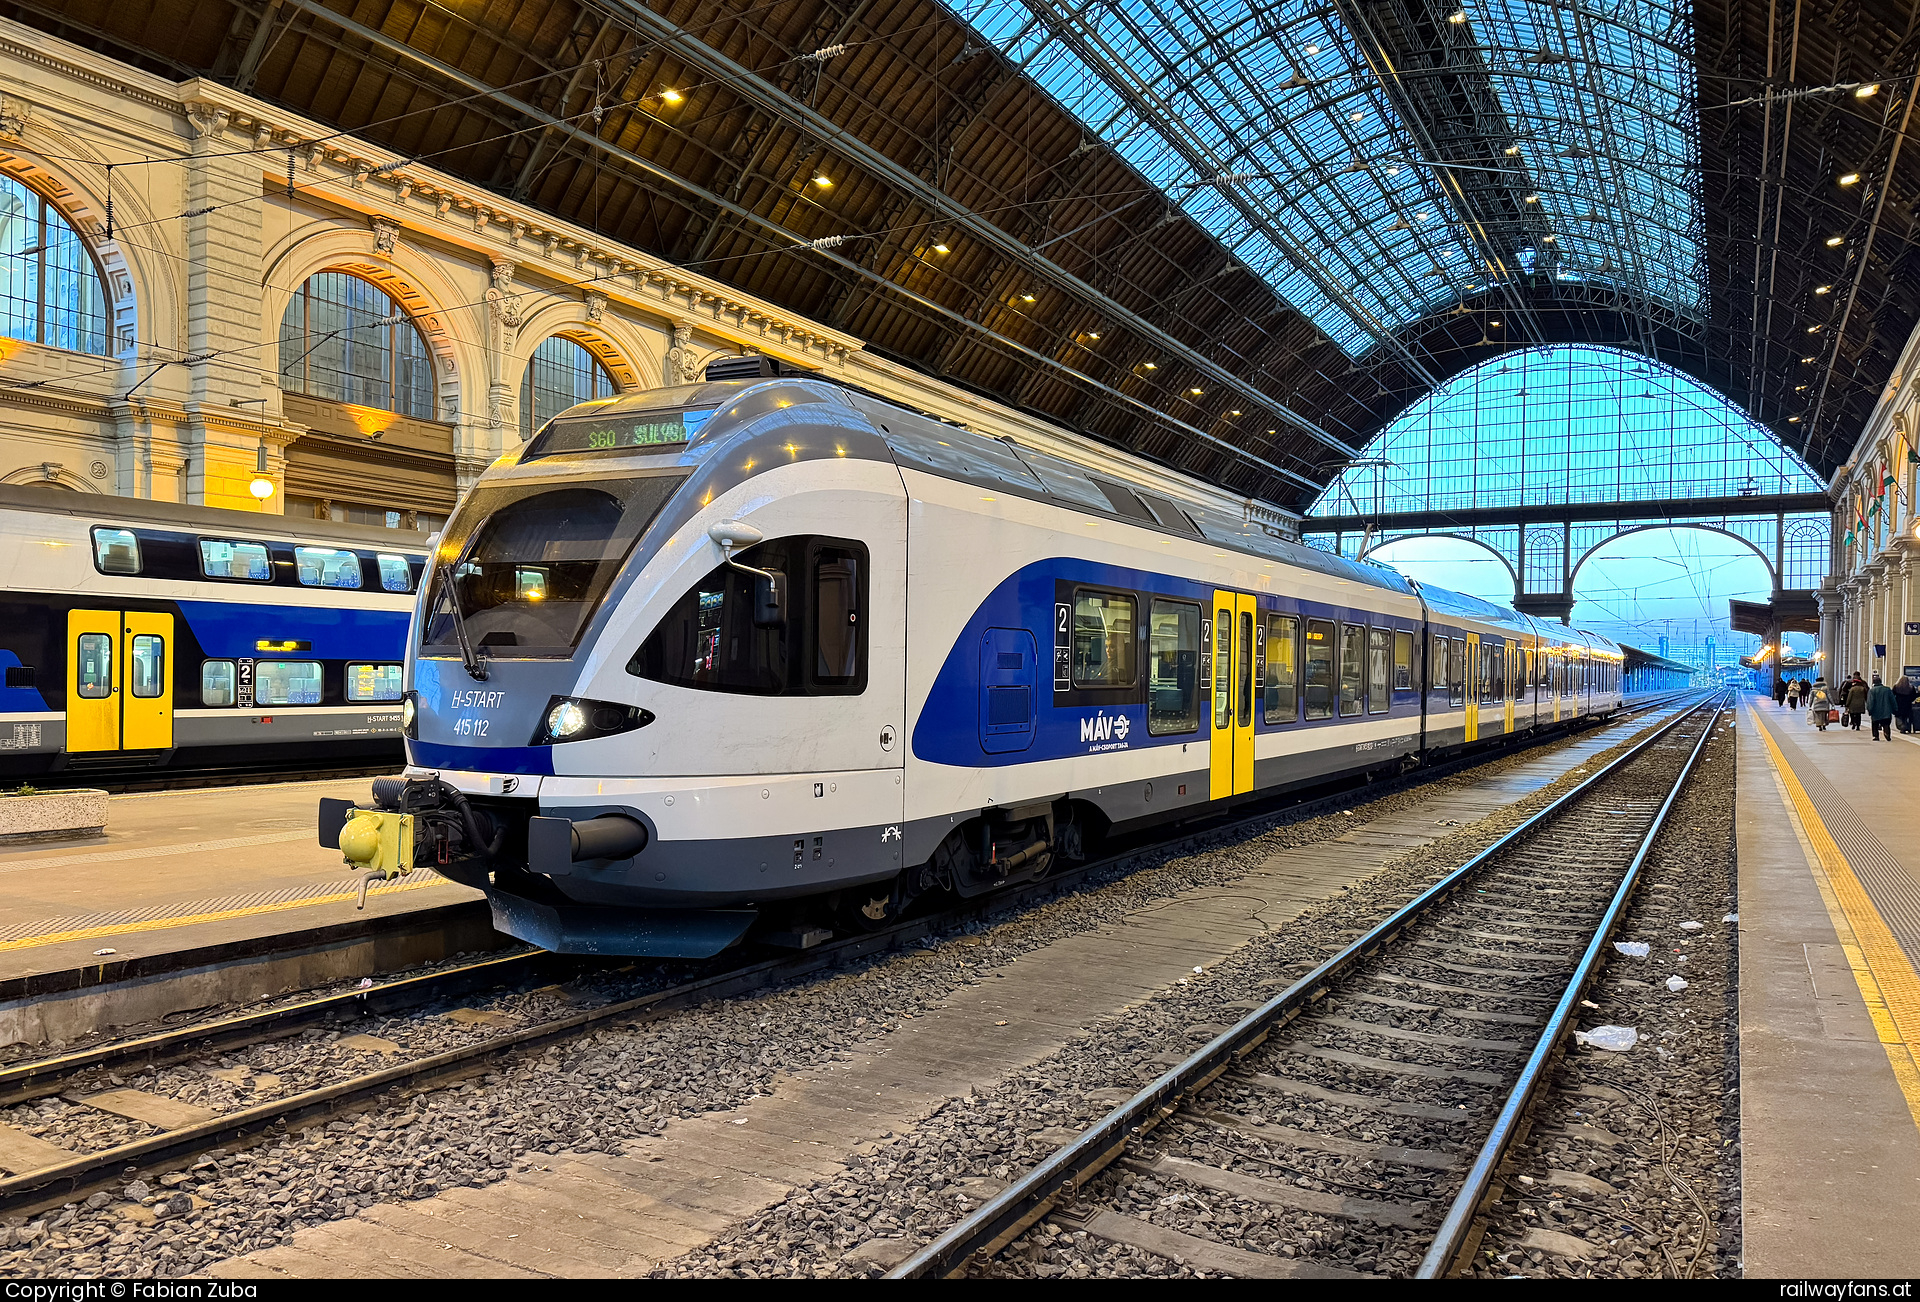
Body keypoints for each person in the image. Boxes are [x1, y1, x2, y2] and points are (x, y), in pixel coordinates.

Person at [1869, 674, 1898, 740]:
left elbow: (1870, 702)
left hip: (1875, 712)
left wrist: (1870, 710)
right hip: (1886, 711)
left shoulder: (1872, 691)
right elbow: (1892, 700)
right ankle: (1887, 733)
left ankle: (1876, 736)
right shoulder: (1887, 690)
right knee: (1886, 724)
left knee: (1875, 724)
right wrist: (1895, 708)